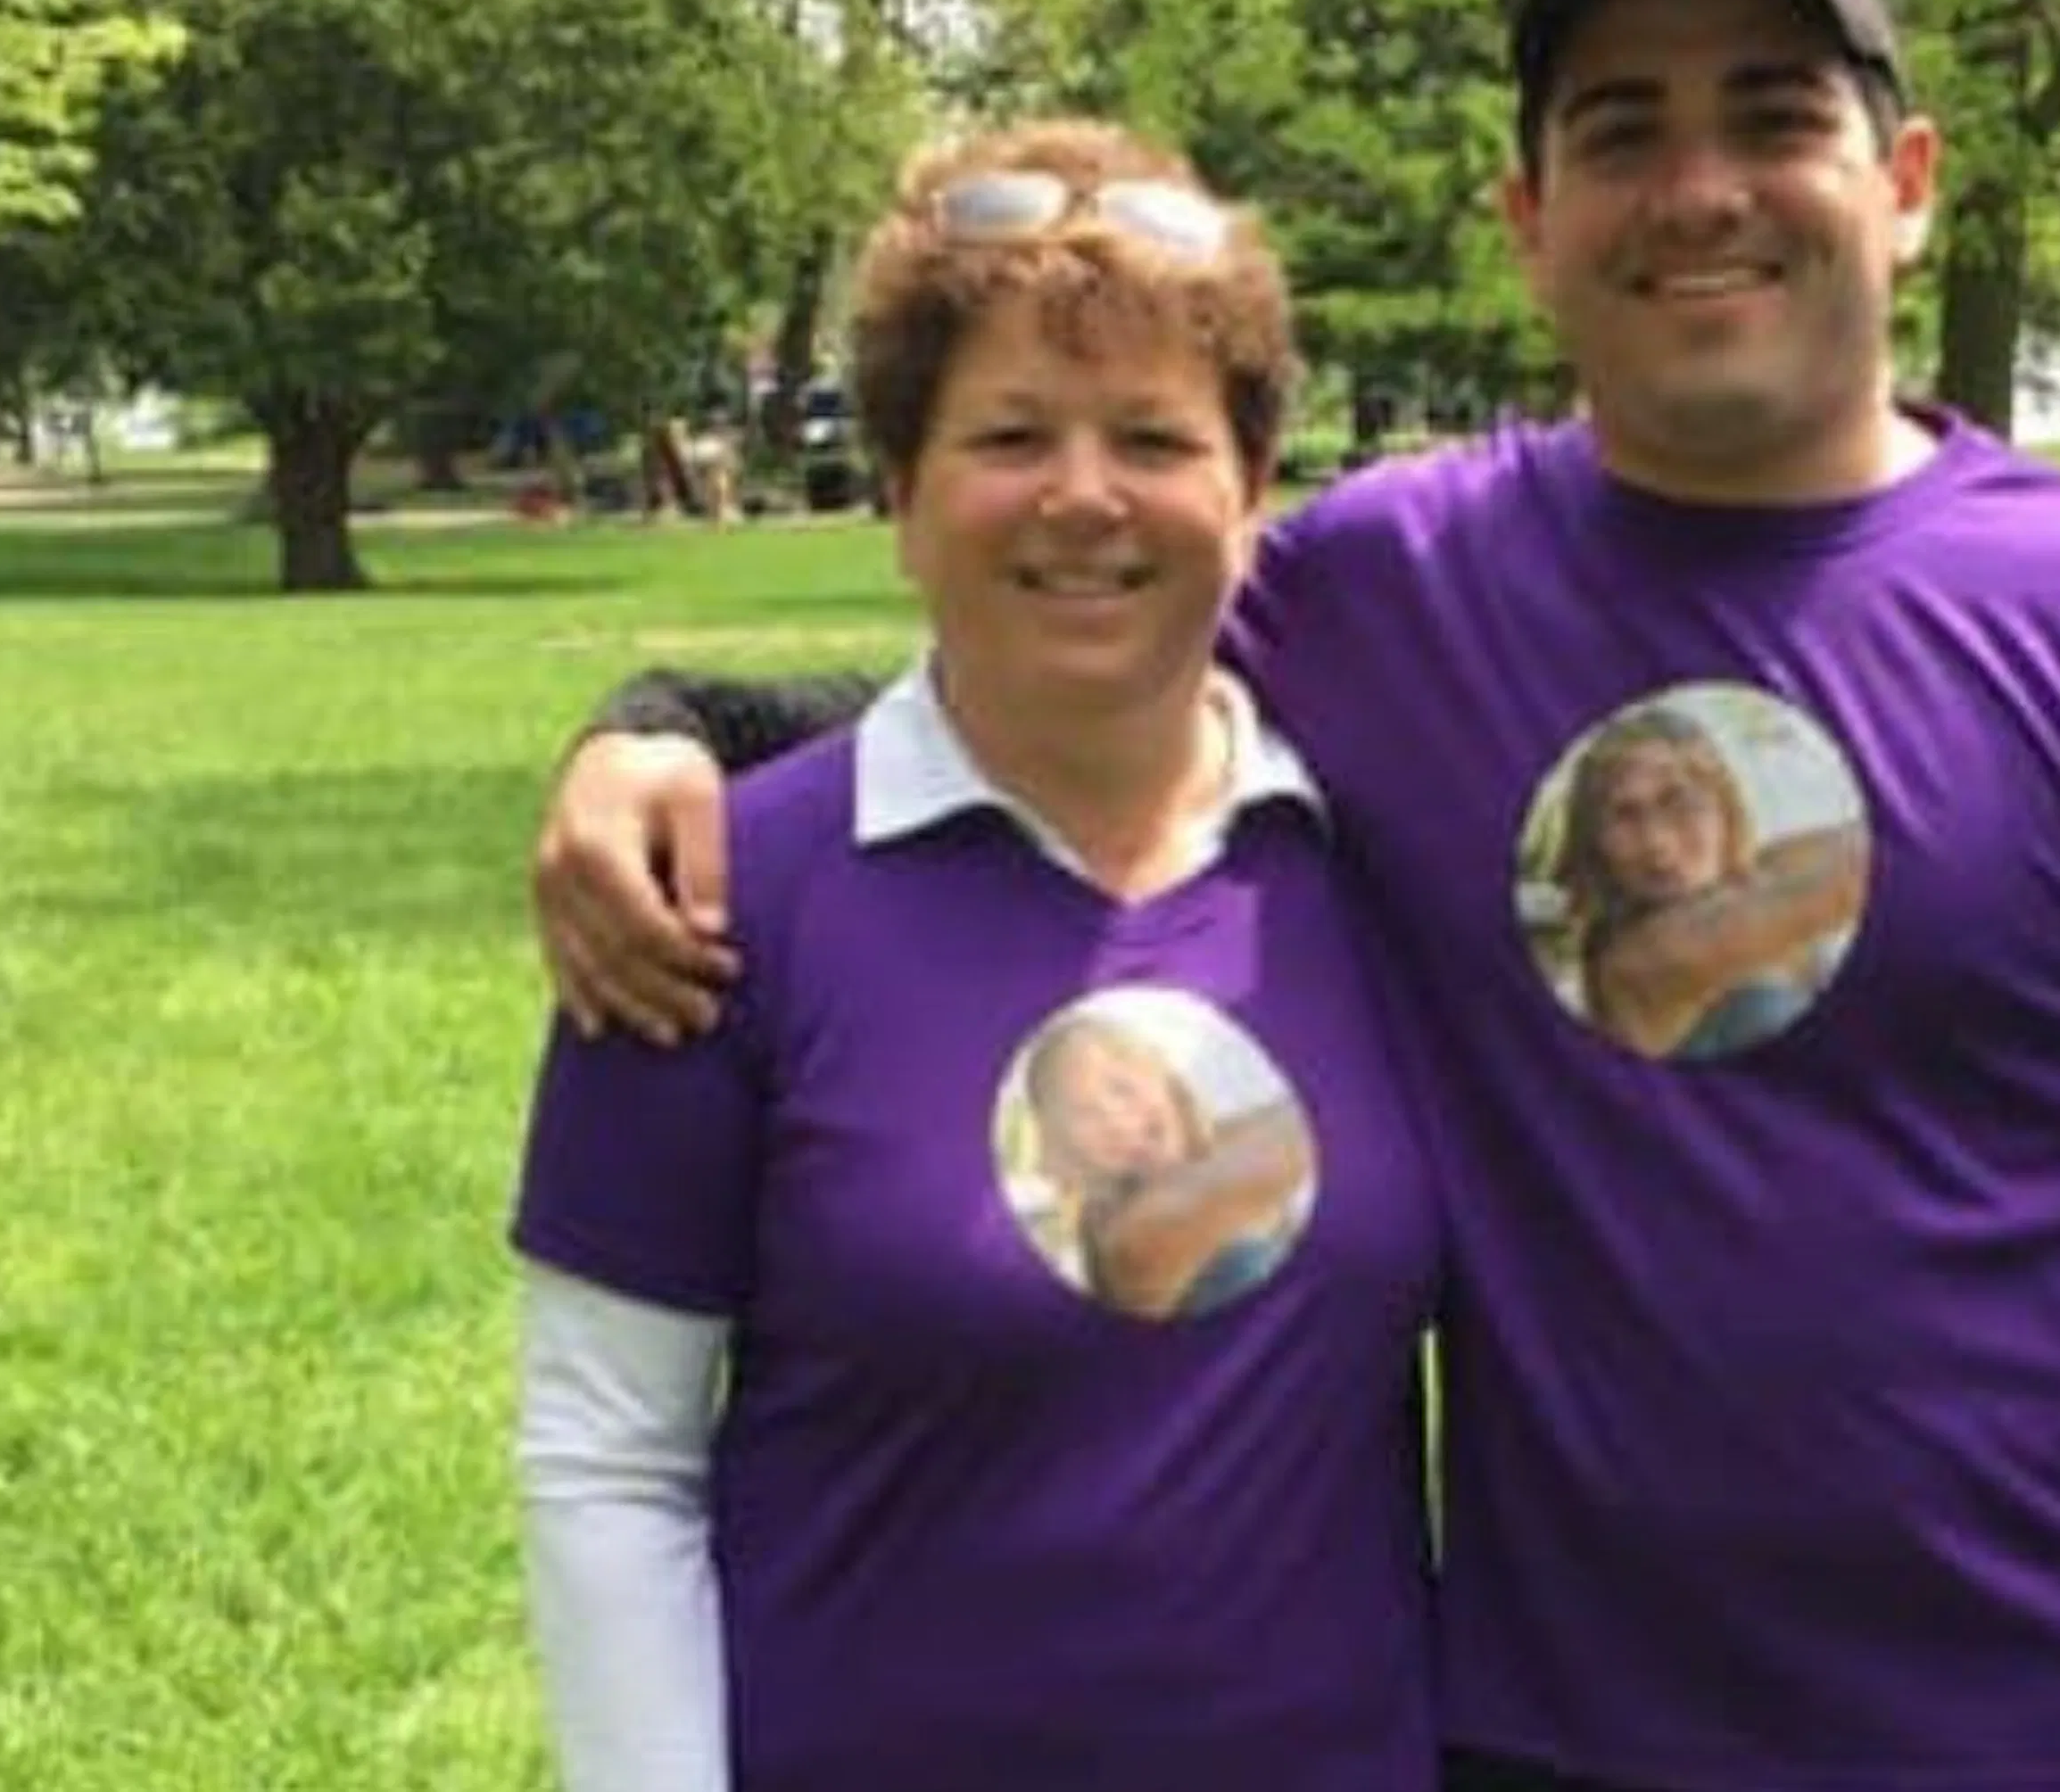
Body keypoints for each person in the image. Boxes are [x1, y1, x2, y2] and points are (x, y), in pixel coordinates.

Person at [528, 0, 2060, 1792]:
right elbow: (1071, 646)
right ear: (1531, 221)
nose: (1699, 189)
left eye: (1774, 115)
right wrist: (672, 729)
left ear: (1907, 181)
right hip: (1537, 1735)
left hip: (2038, 1731)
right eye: (1621, 131)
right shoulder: (1394, 588)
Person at [509, 119, 1443, 1792]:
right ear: (899, 491)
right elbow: (610, 1455)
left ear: (1250, 496)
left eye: (1154, 436)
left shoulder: (1386, 865)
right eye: (1011, 433)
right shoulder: (709, 901)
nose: (1084, 494)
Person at [1538, 700, 1867, 1060]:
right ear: (1595, 843)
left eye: (1679, 802)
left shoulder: (1748, 881)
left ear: (1726, 808)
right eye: (1624, 816)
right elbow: (1854, 875)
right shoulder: (1644, 956)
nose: (1657, 842)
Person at [1007, 1005, 1315, 1319]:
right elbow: (1269, 1157)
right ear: (1072, 1150)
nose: (1117, 1123)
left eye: (1121, 1088)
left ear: (1161, 1076)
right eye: (1086, 1114)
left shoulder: (1215, 1149)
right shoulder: (1124, 1235)